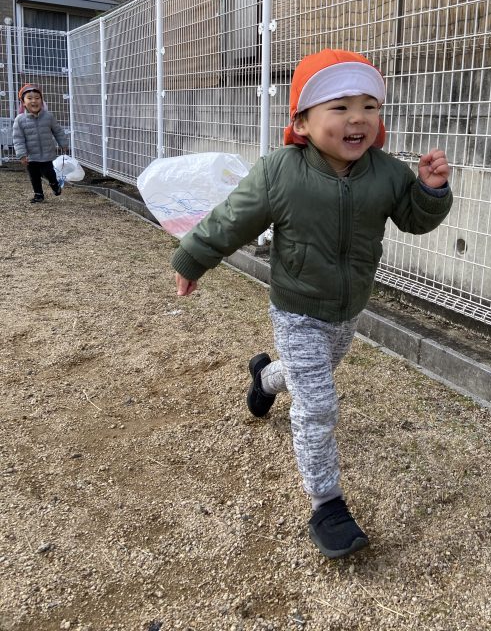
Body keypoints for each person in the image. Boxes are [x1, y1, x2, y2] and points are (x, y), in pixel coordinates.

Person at [171, 49, 453, 559]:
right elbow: (233, 218)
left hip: (348, 309)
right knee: (318, 403)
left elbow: (414, 218)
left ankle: (263, 380)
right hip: (297, 308)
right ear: (302, 120)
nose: (358, 118)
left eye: (369, 105)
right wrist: (193, 256)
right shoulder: (281, 170)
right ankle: (326, 503)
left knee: (311, 375)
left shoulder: (385, 173)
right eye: (340, 106)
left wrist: (432, 191)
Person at [12, 83, 69, 204]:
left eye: (37, 98)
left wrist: (63, 143)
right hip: (31, 156)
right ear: (23, 102)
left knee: (49, 173)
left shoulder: (48, 117)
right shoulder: (20, 120)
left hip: (47, 154)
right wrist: (22, 154)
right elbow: (18, 139)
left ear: (42, 100)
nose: (34, 101)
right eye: (30, 98)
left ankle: (54, 184)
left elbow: (57, 131)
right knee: (34, 176)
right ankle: (38, 194)